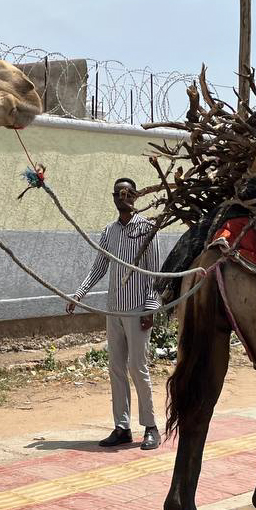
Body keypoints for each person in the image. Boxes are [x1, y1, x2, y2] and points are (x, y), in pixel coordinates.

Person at [67, 177, 162, 451]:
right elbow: (99, 267)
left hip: (137, 310)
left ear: (135, 196)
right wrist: (79, 294)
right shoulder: (109, 231)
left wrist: (151, 307)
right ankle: (122, 427)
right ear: (113, 198)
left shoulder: (146, 228)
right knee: (116, 368)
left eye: (128, 192)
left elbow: (153, 271)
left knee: (137, 367)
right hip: (114, 309)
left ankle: (151, 427)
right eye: (119, 193)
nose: (123, 197)